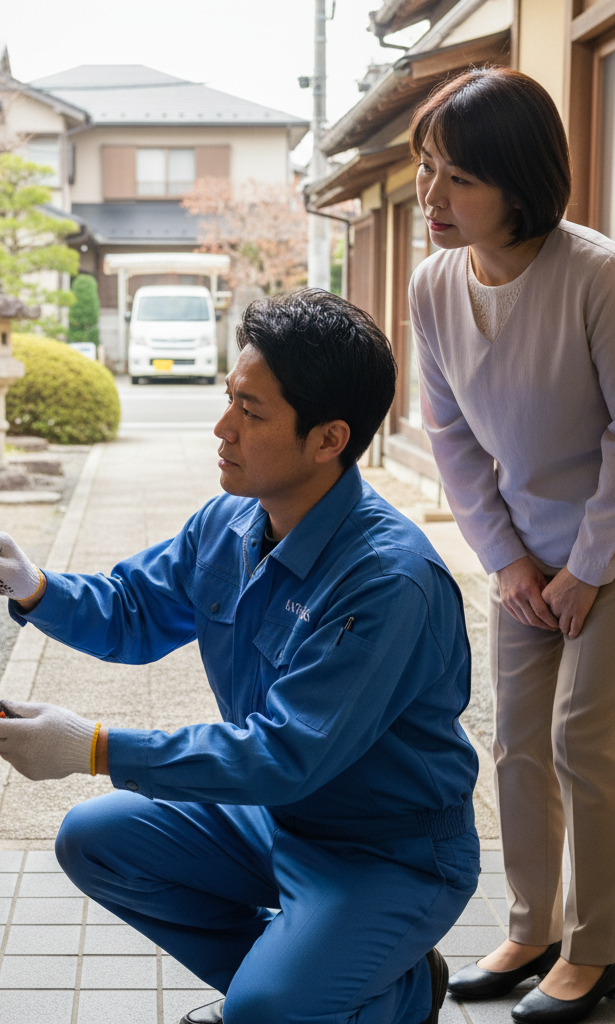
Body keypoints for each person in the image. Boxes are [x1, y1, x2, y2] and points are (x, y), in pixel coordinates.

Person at [0, 290, 480, 1024]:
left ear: (329, 439)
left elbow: (284, 753)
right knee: (93, 840)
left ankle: (390, 993)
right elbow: (134, 612)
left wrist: (94, 747)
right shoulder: (231, 519)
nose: (222, 427)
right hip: (277, 818)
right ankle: (323, 978)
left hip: (387, 850)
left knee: (263, 1013)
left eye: (252, 413)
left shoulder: (388, 581)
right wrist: (34, 586)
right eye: (231, 398)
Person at [409, 67, 615, 1024]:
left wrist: (586, 568)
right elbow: (447, 435)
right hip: (526, 559)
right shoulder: (435, 285)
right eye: (426, 168)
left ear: (519, 181)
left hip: (608, 550)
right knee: (516, 746)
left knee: (585, 740)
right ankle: (532, 927)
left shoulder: (597, 277)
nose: (431, 195)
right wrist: (507, 562)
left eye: (458, 177)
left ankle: (597, 947)